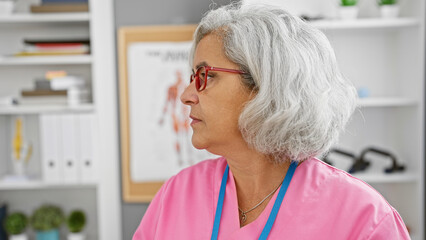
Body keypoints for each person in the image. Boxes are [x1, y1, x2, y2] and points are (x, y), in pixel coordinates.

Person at [133, 3, 410, 240]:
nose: (186, 95)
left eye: (206, 75)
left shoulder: (364, 217)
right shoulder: (178, 193)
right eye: (193, 77)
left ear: (266, 84)